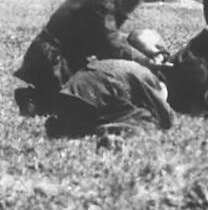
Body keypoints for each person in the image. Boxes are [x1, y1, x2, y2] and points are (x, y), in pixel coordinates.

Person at [14, 0, 159, 116]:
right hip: (53, 61)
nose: (136, 3)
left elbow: (108, 39)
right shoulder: (103, 2)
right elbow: (111, 44)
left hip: (58, 58)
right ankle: (34, 99)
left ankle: (39, 97)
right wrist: (146, 62)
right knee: (79, 109)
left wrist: (147, 52)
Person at [45, 57, 175, 144]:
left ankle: (64, 125)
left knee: (121, 109)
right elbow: (165, 117)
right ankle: (110, 131)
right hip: (92, 99)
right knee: (145, 118)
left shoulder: (127, 67)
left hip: (67, 97)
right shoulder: (148, 77)